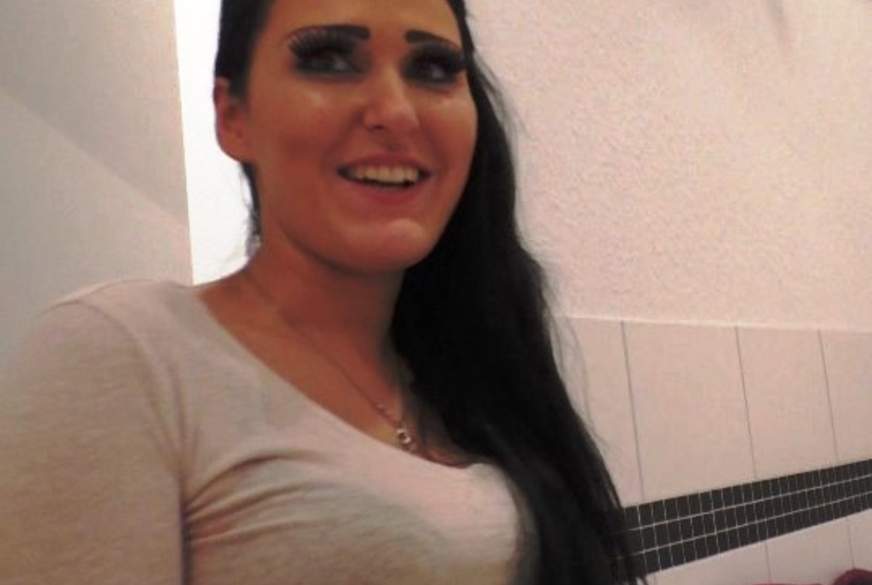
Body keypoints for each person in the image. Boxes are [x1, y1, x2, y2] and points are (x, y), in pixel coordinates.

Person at [0, 0, 644, 584]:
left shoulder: (467, 371)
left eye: (433, 68)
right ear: (232, 117)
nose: (396, 111)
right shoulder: (123, 353)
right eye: (329, 59)